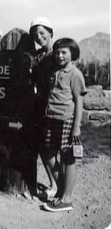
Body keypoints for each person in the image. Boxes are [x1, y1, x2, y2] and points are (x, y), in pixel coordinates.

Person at [41, 38, 87, 212]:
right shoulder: (54, 71)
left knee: (68, 157)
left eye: (64, 52)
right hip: (51, 118)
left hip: (66, 119)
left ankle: (67, 199)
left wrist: (76, 127)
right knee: (47, 152)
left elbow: (79, 102)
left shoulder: (75, 74)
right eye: (57, 52)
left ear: (72, 54)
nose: (59, 55)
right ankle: (61, 190)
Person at [29, 17, 56, 199]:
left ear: (50, 33)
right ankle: (55, 184)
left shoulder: (57, 55)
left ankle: (58, 185)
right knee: (42, 146)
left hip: (53, 105)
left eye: (42, 33)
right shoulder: (37, 56)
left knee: (51, 147)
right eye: (35, 34)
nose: (39, 37)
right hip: (39, 104)